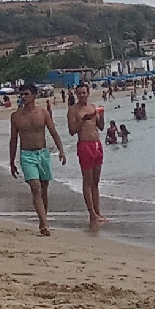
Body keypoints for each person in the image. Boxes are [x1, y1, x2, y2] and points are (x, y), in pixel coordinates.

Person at [8, 80, 66, 236]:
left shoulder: (43, 113)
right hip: (27, 155)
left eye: (26, 94)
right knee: (35, 187)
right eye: (21, 94)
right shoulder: (16, 116)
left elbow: (53, 132)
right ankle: (45, 224)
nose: (23, 97)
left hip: (43, 154)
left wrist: (61, 150)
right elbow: (13, 139)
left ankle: (43, 219)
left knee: (44, 189)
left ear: (34, 96)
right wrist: (12, 162)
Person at [66, 82, 107, 230]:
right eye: (80, 93)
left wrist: (101, 116)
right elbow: (72, 131)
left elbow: (101, 127)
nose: (82, 95)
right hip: (84, 144)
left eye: (84, 92)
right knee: (87, 180)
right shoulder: (73, 110)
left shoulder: (92, 107)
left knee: (96, 181)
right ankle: (91, 213)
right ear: (76, 94)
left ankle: (98, 212)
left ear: (88, 93)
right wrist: (82, 120)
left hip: (97, 144)